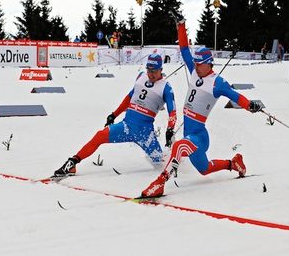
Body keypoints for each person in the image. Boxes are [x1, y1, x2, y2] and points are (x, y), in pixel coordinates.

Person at [139, 14, 261, 198]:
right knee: (204, 169)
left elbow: (235, 95)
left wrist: (250, 105)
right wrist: (181, 26)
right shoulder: (195, 73)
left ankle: (160, 183)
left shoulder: (216, 82)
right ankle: (233, 163)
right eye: (195, 63)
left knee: (179, 146)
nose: (195, 67)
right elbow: (184, 49)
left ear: (209, 64)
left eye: (199, 64)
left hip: (199, 136)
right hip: (190, 134)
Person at [53, 54, 177, 177]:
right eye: (149, 70)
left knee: (160, 163)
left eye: (154, 71)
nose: (151, 74)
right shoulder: (141, 77)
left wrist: (170, 129)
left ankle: (177, 154)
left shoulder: (166, 88)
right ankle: (73, 162)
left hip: (145, 134)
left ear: (161, 69)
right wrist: (114, 115)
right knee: (99, 136)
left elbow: (172, 112)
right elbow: (129, 98)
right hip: (126, 127)